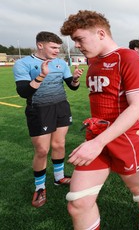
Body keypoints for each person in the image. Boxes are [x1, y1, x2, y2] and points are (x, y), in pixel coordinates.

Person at [60, 10, 139, 230]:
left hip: (127, 138)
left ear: (101, 33)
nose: (76, 45)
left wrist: (98, 142)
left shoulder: (128, 57)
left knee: (138, 189)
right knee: (77, 203)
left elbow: (138, 107)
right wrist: (97, 140)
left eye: (79, 39)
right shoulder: (93, 62)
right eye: (74, 40)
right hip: (97, 137)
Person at [13, 31, 83, 208]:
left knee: (59, 145)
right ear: (40, 45)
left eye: (58, 48)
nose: (56, 51)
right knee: (42, 151)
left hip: (61, 106)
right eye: (53, 47)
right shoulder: (23, 63)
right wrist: (42, 75)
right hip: (39, 110)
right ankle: (40, 187)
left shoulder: (60, 63)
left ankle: (59, 178)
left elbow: (72, 87)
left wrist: (75, 79)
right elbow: (23, 92)